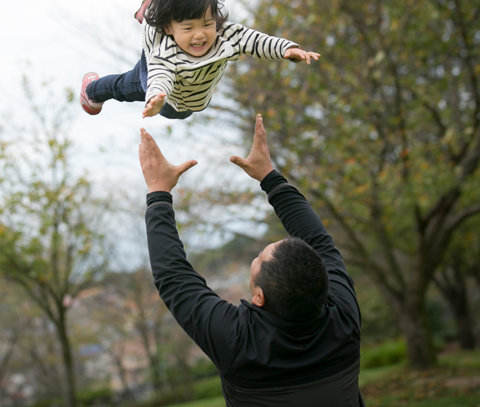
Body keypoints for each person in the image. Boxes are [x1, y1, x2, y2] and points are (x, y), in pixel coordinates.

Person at [138, 114, 364, 406]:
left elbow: (175, 279)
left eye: (258, 260)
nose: (256, 258)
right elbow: (319, 241)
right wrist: (270, 176)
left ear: (259, 297)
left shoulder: (239, 344)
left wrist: (158, 191)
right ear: (323, 280)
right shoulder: (344, 320)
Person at [80, 0, 320, 119]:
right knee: (125, 86)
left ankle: (158, 7)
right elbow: (160, 76)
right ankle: (91, 92)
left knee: (179, 99)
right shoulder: (165, 54)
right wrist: (155, 99)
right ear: (170, 28)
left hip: (191, 103)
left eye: (207, 24)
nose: (200, 35)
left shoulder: (225, 35)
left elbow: (255, 40)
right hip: (167, 99)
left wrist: (288, 49)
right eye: (189, 28)